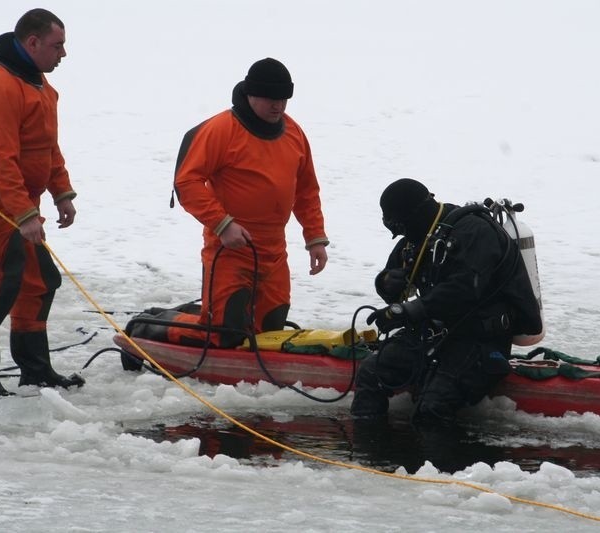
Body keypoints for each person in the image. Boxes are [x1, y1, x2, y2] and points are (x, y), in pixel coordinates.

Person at [0, 8, 84, 396]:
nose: (63, 53)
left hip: (19, 200)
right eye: (57, 45)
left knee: (39, 280)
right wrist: (25, 213)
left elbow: (47, 147)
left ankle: (35, 369)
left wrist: (61, 191)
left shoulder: (40, 84)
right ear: (32, 43)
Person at [350, 179, 542, 425]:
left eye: (400, 227)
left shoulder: (474, 231)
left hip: (480, 341)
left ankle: (451, 463)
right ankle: (366, 452)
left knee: (431, 408)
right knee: (371, 372)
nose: (400, 235)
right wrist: (386, 283)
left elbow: (464, 289)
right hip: (434, 335)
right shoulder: (417, 237)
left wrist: (408, 310)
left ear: (416, 214)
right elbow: (393, 283)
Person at [173, 58, 329, 348]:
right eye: (271, 99)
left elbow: (307, 190)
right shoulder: (222, 129)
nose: (278, 106)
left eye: (283, 99)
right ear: (250, 94)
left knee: (270, 331)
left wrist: (315, 238)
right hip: (231, 249)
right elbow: (187, 182)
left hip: (273, 252)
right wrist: (223, 224)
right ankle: (152, 327)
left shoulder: (293, 133)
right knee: (225, 333)